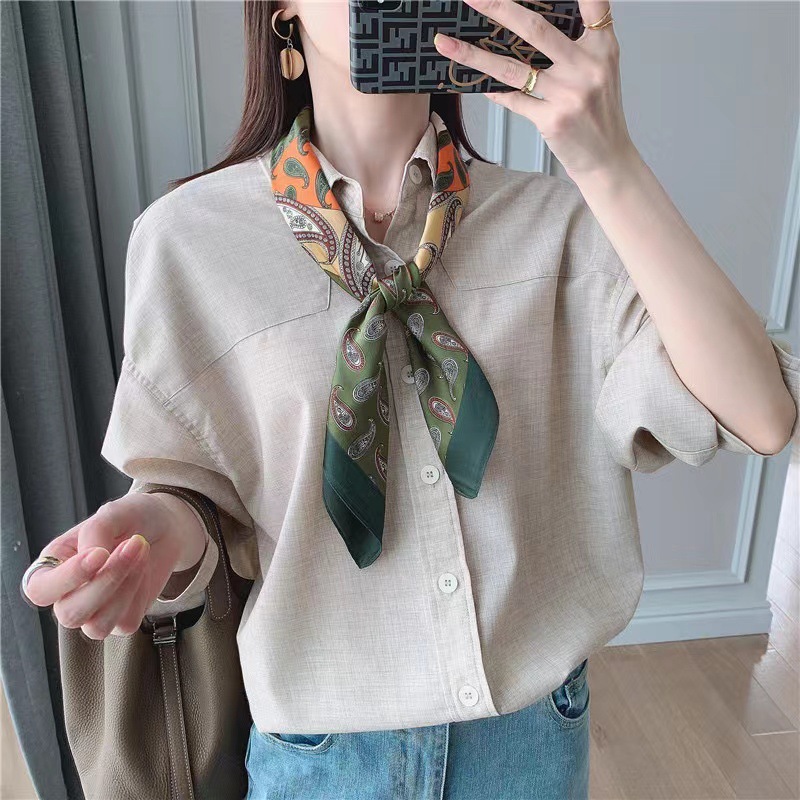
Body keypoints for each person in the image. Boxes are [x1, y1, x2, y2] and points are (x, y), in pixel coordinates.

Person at [22, 0, 799, 797]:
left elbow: (761, 415)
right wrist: (158, 527)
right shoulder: (187, 241)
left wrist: (610, 163)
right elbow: (202, 493)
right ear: (281, 11)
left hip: (530, 744)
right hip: (321, 759)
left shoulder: (560, 225)